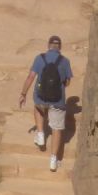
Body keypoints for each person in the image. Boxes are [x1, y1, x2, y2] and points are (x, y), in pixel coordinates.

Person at [19, 35, 73, 172]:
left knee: (38, 107)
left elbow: (31, 77)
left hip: (41, 97)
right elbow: (67, 83)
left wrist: (23, 94)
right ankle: (53, 159)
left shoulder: (40, 58)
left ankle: (41, 133)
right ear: (59, 47)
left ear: (48, 45)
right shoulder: (65, 61)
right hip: (58, 100)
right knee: (56, 129)